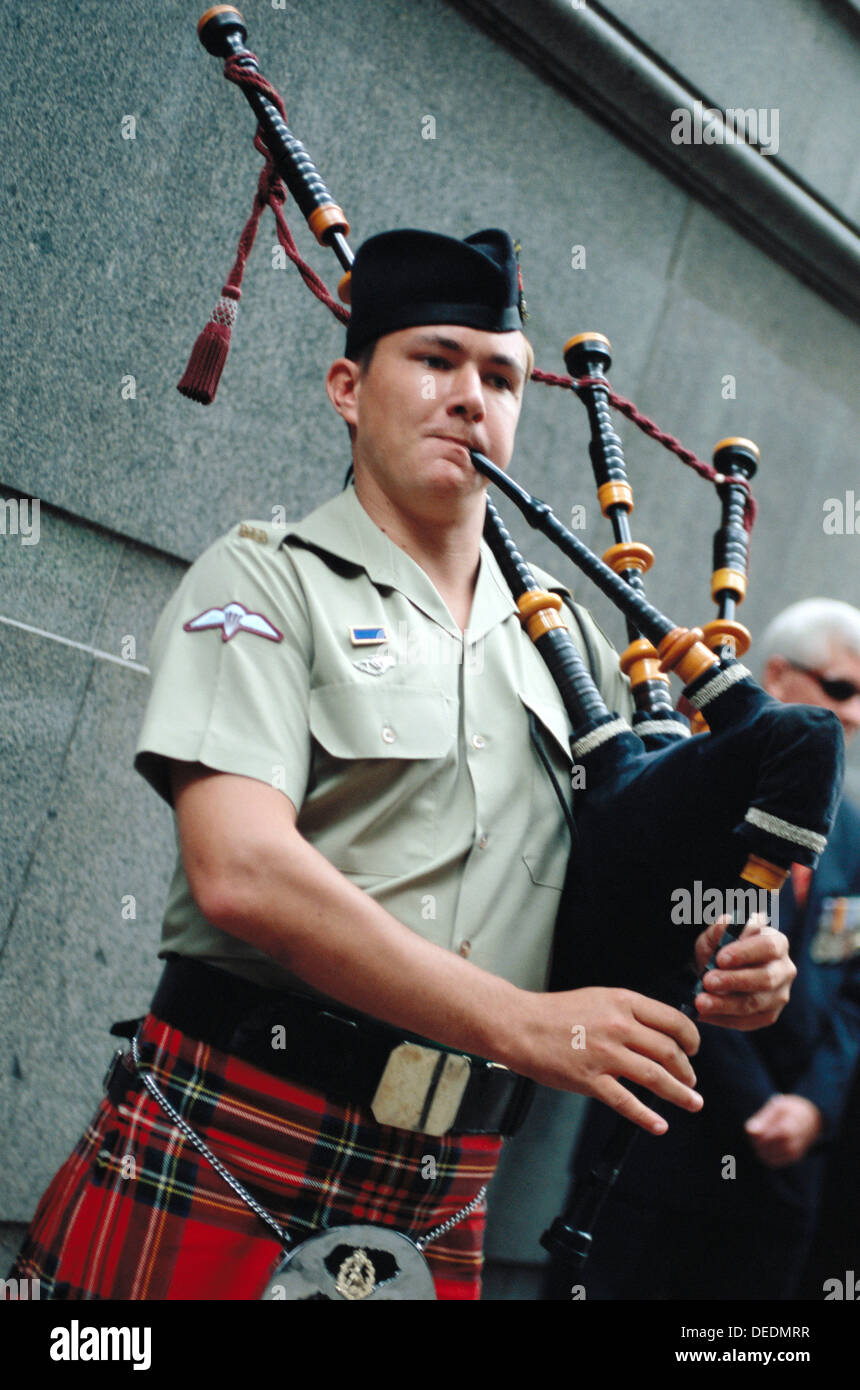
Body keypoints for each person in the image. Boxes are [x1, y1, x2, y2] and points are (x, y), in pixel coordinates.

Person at [7, 229, 796, 1302]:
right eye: (434, 359)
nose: (471, 396)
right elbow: (240, 870)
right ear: (347, 385)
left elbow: (613, 894)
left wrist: (723, 945)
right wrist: (521, 1023)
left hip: (448, 1183)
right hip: (238, 1125)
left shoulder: (572, 668)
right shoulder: (266, 582)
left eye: (502, 377)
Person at [546, 597, 860, 1301]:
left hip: (781, 1180)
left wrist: (812, 1107)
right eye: (841, 689)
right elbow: (659, 953)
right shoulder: (686, 788)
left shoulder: (857, 835)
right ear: (777, 675)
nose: (855, 715)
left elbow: (852, 992)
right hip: (656, 1149)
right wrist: (756, 1107)